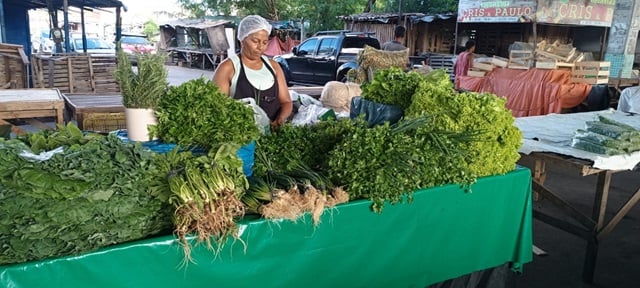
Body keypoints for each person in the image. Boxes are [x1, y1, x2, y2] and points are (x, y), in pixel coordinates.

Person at [213, 15, 293, 128]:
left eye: (265, 42)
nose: (260, 47)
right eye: (255, 41)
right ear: (242, 40)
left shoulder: (274, 66)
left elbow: (286, 102)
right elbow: (217, 107)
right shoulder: (227, 68)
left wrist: (280, 120)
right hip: (242, 138)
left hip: (272, 134)